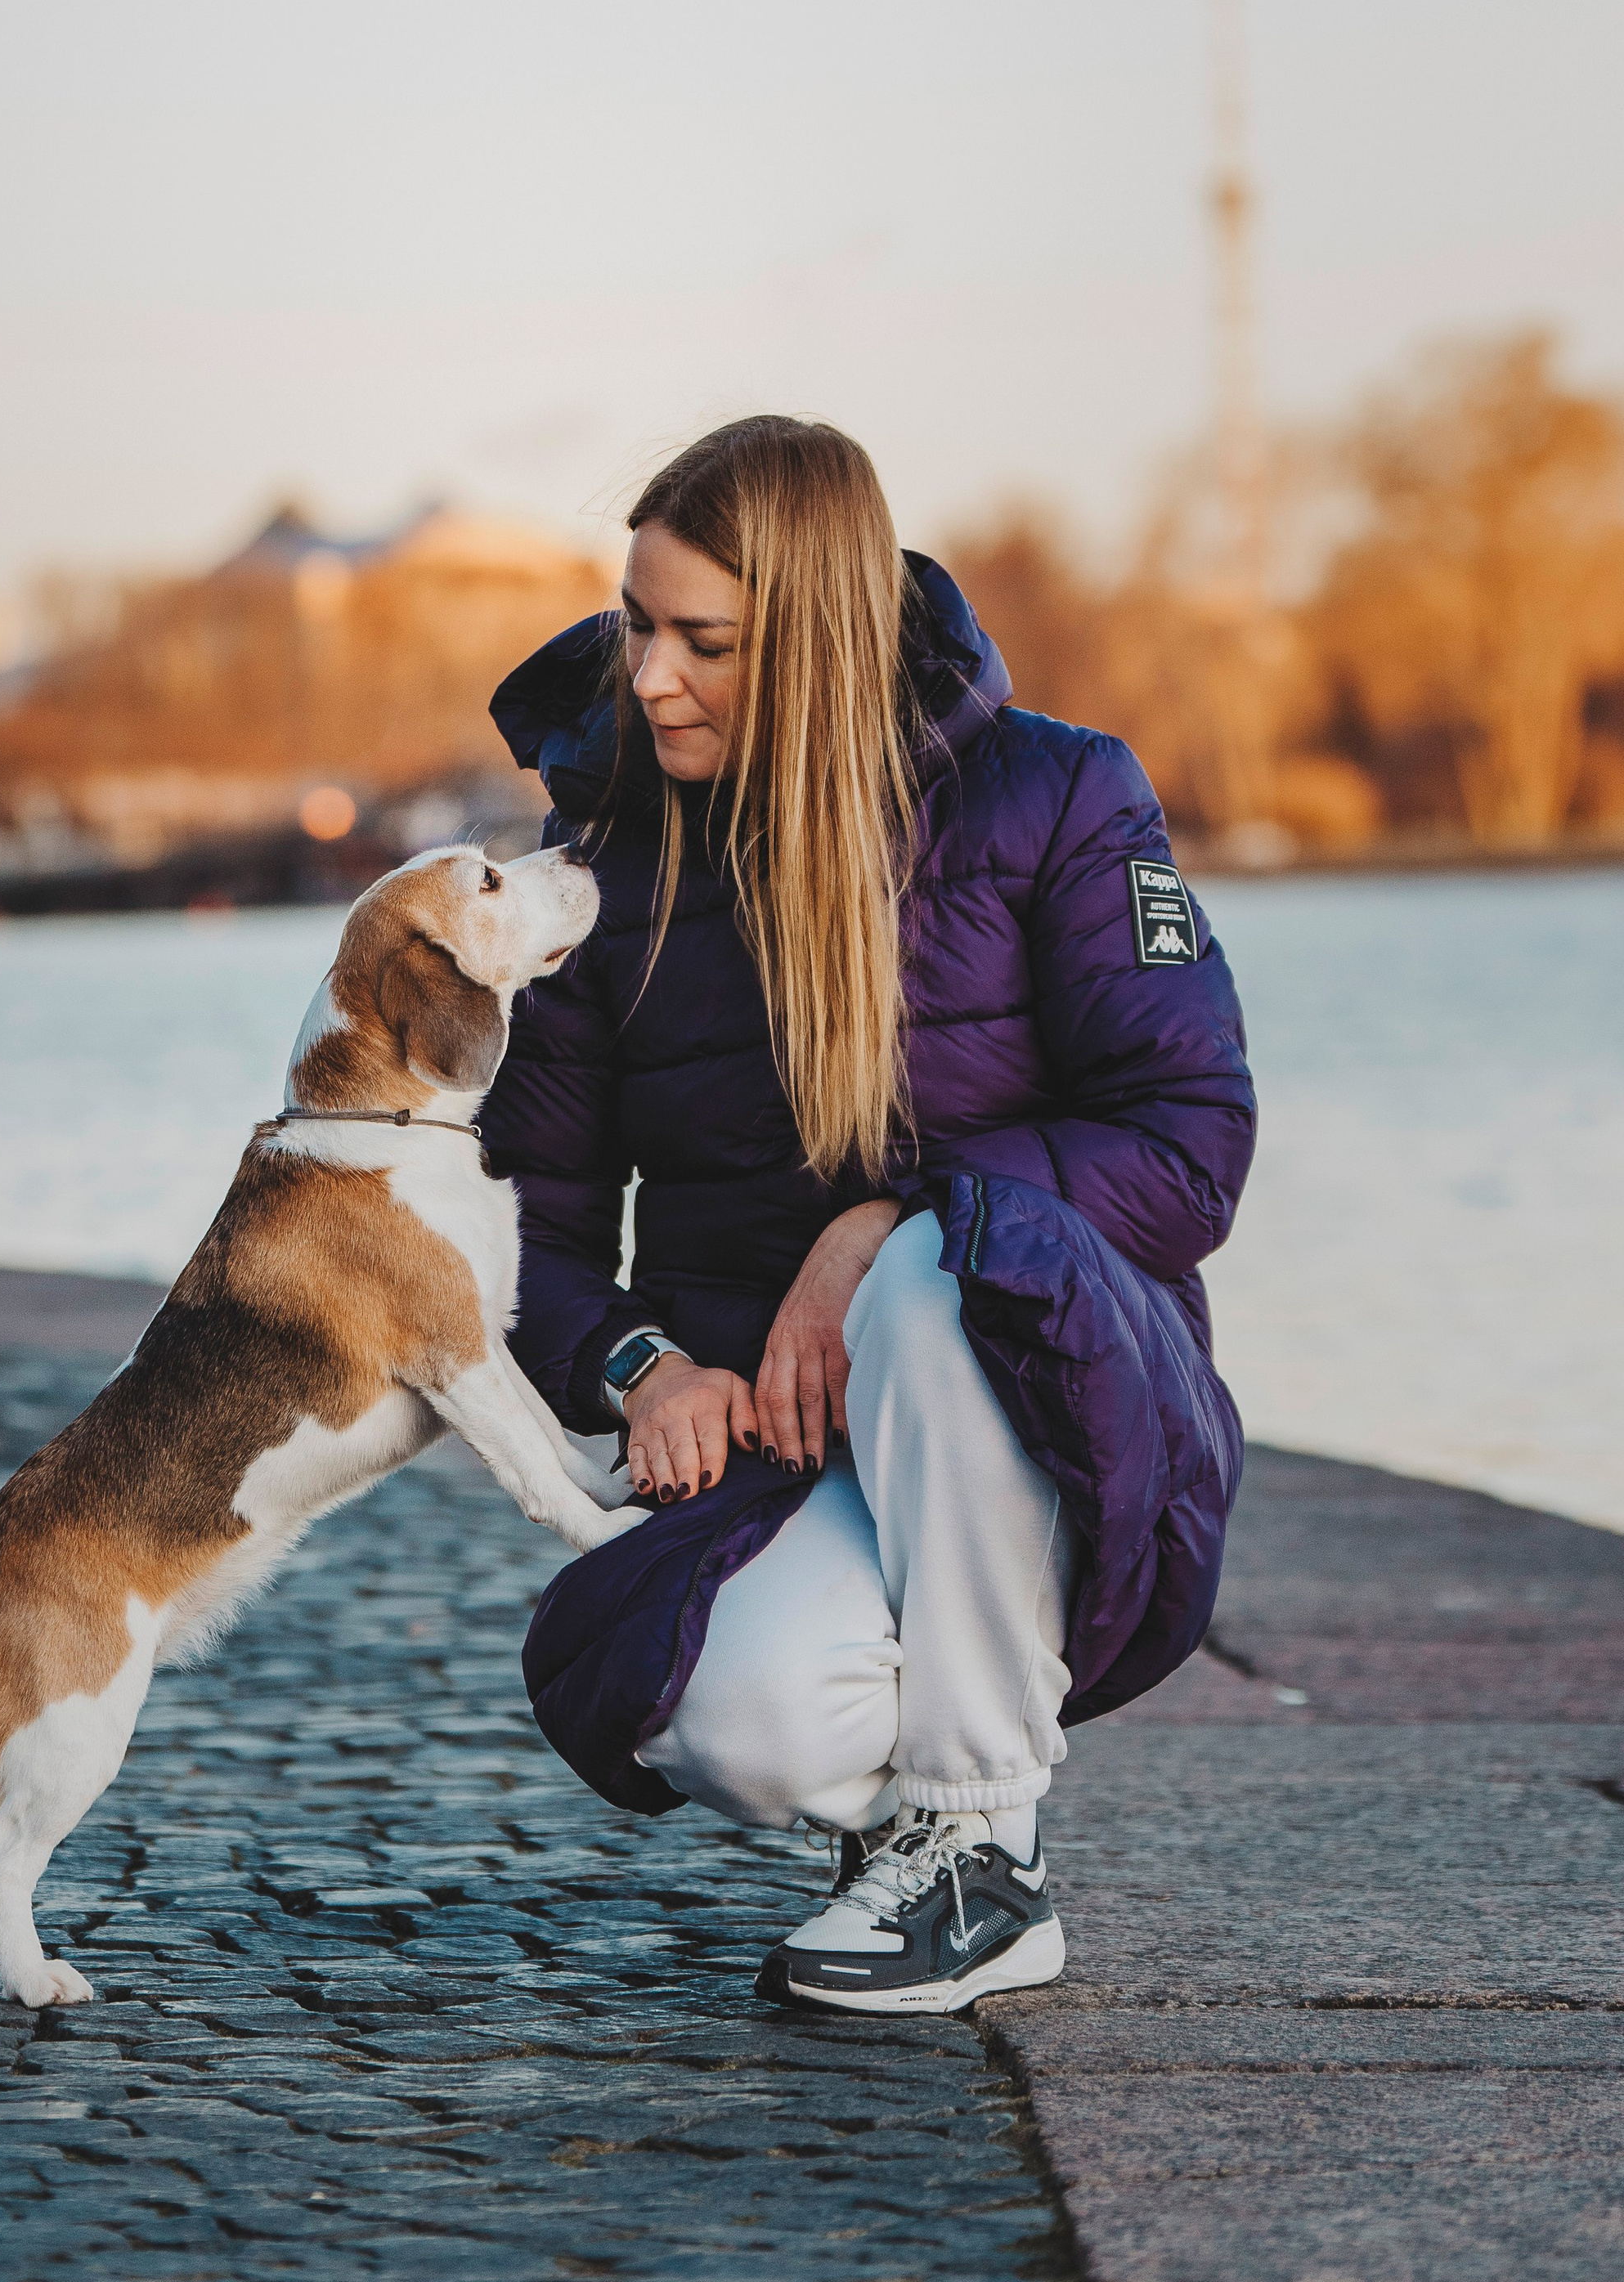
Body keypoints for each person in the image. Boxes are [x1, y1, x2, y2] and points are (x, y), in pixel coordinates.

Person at [478, 415, 1255, 2011]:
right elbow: (521, 1232)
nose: (647, 676)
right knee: (732, 1717)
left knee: (926, 1266)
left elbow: (1188, 1145)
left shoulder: (1058, 798)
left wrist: (886, 1218)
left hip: (1052, 1409)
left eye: (703, 640)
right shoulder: (602, 869)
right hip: (790, 1449)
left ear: (818, 638)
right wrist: (637, 1363)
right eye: (635, 622)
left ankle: (977, 1845)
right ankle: (915, 1802)